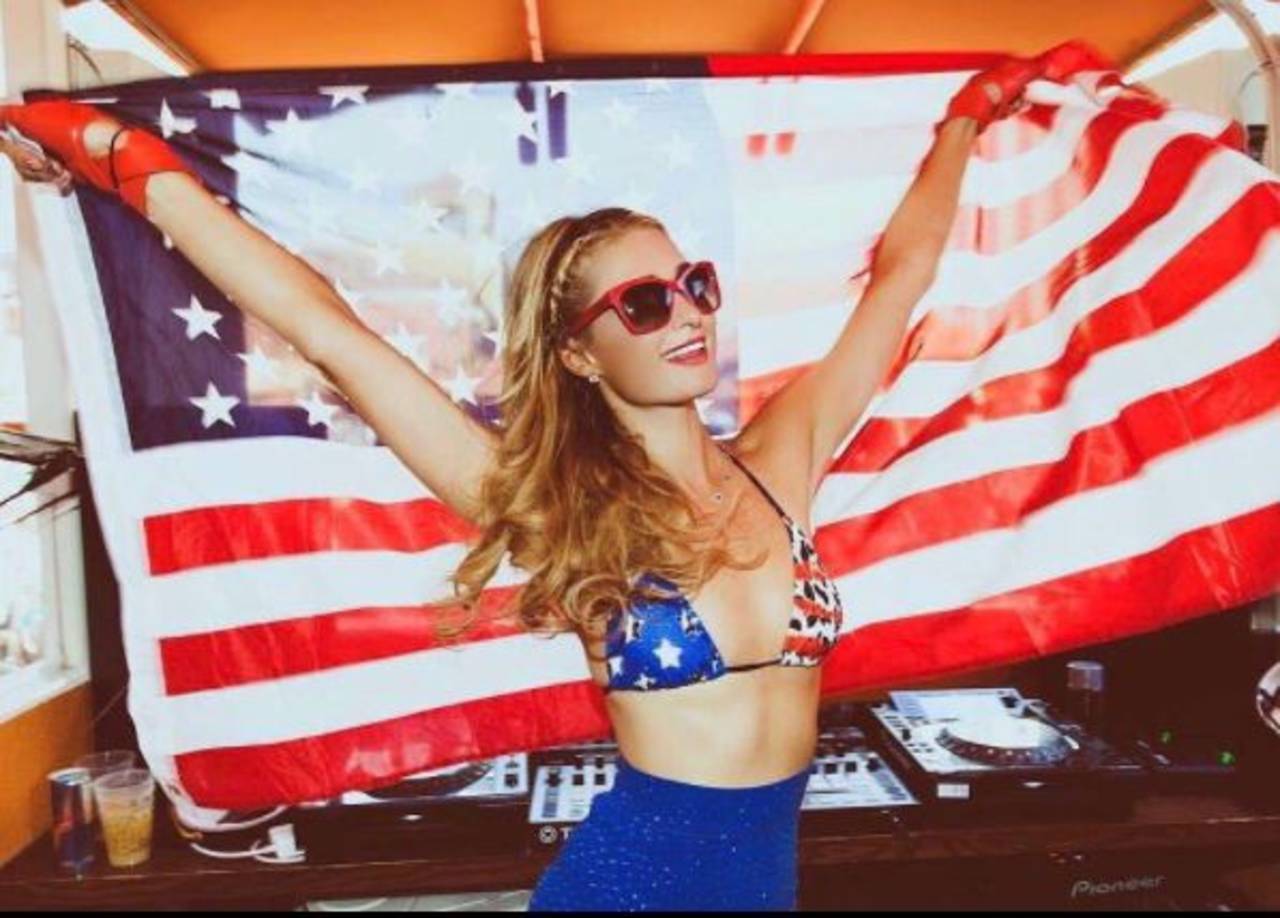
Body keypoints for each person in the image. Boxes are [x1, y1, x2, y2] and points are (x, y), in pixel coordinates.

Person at [1, 42, 1085, 910]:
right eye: (643, 304)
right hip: (627, 890)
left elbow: (900, 279)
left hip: (767, 886)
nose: (687, 314)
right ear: (578, 353)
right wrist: (116, 156)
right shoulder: (555, 505)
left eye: (692, 284)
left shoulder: (781, 461)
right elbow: (330, 334)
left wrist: (965, 118)